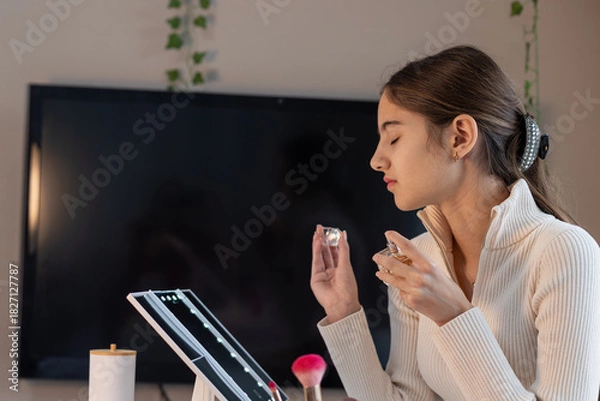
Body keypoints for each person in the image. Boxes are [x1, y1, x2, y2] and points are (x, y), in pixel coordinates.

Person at [309, 45, 600, 400]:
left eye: (394, 137)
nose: (376, 159)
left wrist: (454, 316)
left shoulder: (563, 251)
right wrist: (343, 311)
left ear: (460, 136)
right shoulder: (418, 258)